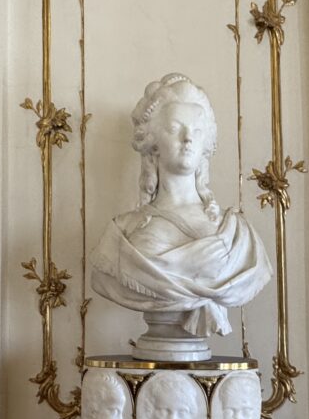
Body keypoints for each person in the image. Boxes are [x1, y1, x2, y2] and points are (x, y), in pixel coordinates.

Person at [90, 74, 273, 349]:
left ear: (206, 143)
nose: (188, 138)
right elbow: (103, 279)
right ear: (152, 142)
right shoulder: (121, 233)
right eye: (175, 128)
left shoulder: (236, 234)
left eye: (197, 130)